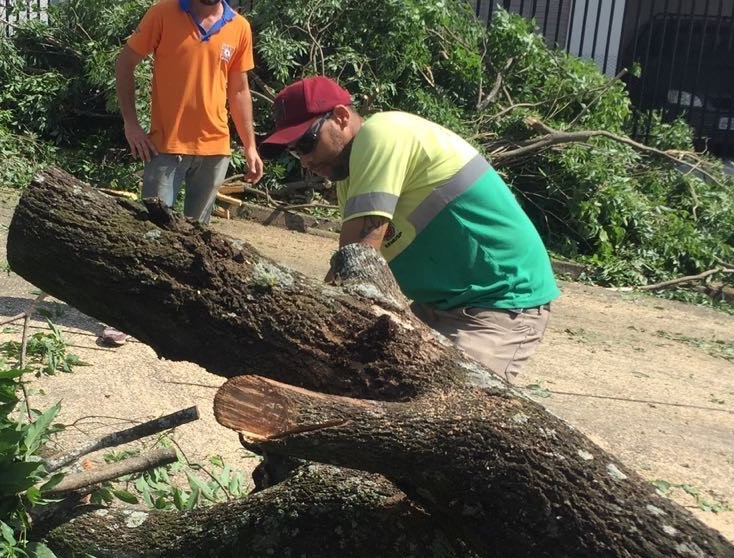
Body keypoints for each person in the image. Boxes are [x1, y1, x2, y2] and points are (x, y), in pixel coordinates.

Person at [259, 76, 560, 382]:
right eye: (295, 151)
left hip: (498, 302)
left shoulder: (381, 134)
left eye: (307, 142)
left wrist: (306, 329)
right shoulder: (347, 175)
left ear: (340, 116)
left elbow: (360, 259)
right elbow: (346, 267)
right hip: (439, 305)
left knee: (448, 408)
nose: (305, 160)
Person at [115, 0, 263, 223]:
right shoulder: (162, 13)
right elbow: (125, 63)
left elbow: (239, 91)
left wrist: (250, 146)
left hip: (215, 150)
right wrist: (131, 124)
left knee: (197, 239)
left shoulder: (239, 26)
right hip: (165, 146)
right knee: (155, 232)